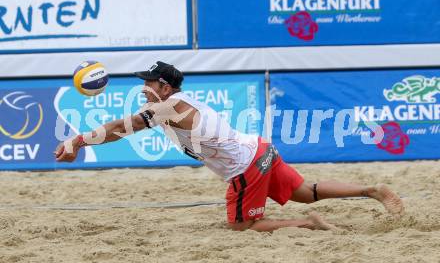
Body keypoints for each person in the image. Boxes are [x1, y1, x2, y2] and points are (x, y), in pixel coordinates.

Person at [55, 61, 404, 232]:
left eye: (148, 83)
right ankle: (370, 189)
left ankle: (310, 225)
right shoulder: (177, 103)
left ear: (164, 86)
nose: (143, 88)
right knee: (304, 190)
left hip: (245, 168)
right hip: (259, 149)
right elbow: (123, 128)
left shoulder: (165, 107)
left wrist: (76, 140)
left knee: (242, 227)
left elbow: (120, 128)